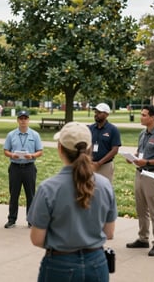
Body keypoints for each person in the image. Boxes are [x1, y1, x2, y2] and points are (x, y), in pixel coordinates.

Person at [27, 121, 117, 282]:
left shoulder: (48, 188)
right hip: (96, 262)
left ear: (60, 149)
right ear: (89, 149)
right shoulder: (105, 185)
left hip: (60, 263)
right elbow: (109, 232)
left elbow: (37, 239)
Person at [126, 105, 154, 257]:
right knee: (141, 208)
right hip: (139, 173)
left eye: (144, 115)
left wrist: (147, 163)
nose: (141, 117)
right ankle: (143, 238)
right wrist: (133, 158)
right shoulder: (142, 134)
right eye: (141, 114)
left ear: (152, 117)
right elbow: (140, 153)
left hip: (153, 175)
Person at [3, 110, 43, 228]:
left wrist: (32, 156)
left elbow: (40, 151)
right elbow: (5, 150)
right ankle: (11, 219)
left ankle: (31, 220)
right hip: (15, 167)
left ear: (28, 120)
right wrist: (11, 155)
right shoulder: (11, 135)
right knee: (14, 194)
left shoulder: (34, 135)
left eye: (25, 118)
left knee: (30, 194)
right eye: (21, 118)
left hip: (29, 167)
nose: (23, 121)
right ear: (17, 120)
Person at [89, 103, 122, 183]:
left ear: (107, 114)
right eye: (95, 112)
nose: (96, 114)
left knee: (104, 189)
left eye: (99, 113)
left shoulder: (113, 130)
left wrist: (99, 163)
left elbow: (114, 150)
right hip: (91, 164)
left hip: (105, 165)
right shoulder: (90, 128)